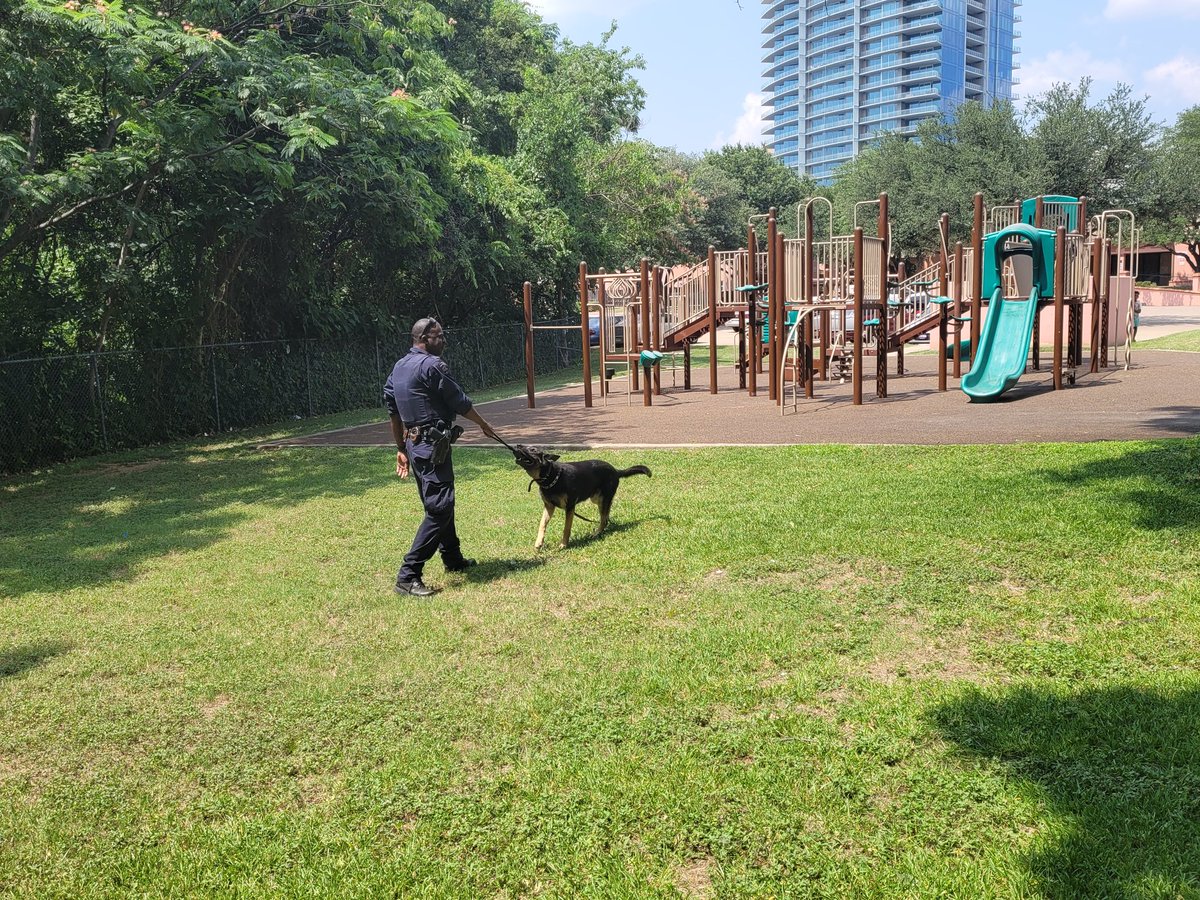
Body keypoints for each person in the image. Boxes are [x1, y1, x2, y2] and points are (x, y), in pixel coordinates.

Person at [384, 317, 498, 597]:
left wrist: (401, 448)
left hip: (415, 445)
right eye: (439, 336)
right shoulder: (432, 366)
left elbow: (393, 410)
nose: (444, 341)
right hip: (431, 448)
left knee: (438, 504)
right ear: (424, 338)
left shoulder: (399, 367)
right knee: (440, 508)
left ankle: (452, 558)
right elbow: (459, 402)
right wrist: (483, 424)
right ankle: (408, 576)